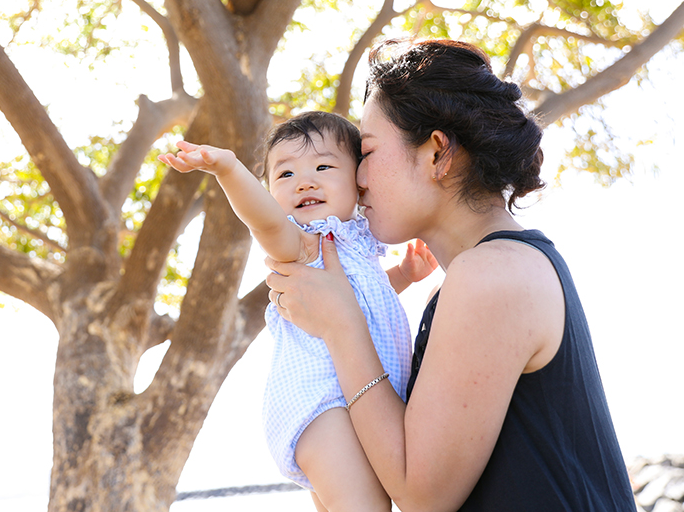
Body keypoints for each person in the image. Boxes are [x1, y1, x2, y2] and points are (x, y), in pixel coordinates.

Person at [264, 38, 637, 512]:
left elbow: (421, 494)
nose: (357, 178)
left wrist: (341, 324)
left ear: (437, 152)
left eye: (369, 152)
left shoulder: (494, 274)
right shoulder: (480, 273)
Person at [159, 111, 438, 512]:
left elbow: (363, 301)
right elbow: (264, 222)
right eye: (285, 175)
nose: (304, 181)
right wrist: (228, 169)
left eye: (323, 166)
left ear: (359, 183)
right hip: (323, 405)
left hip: (357, 405)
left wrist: (404, 275)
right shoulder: (302, 245)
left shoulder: (356, 245)